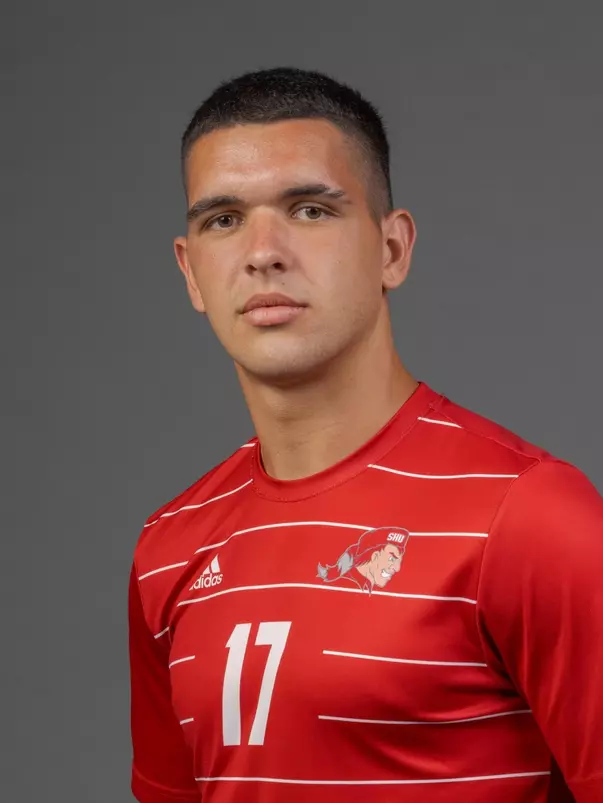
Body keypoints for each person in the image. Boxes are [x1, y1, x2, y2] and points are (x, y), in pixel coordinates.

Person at [128, 67, 603, 803]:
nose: (263, 251)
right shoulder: (168, 547)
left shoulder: (529, 516)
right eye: (223, 219)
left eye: (310, 209)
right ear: (191, 273)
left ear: (391, 250)